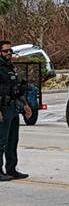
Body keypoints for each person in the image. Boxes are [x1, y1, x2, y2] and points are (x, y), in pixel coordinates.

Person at [0, 40, 33, 182]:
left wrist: (25, 105)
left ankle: (11, 169)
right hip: (3, 108)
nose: (8, 53)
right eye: (5, 51)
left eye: (10, 51)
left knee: (12, 141)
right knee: (1, 141)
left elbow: (16, 89)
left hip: (13, 107)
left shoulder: (10, 67)